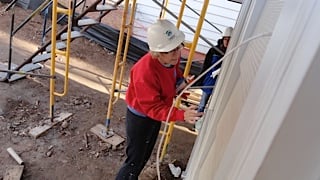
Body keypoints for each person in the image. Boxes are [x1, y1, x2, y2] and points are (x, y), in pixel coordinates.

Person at [115, 19, 203, 180]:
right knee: (134, 160)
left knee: (145, 153)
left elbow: (174, 78)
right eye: (171, 50)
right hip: (141, 117)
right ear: (158, 52)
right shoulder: (144, 71)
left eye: (178, 47)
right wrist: (182, 115)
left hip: (156, 113)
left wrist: (182, 84)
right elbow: (153, 108)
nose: (178, 53)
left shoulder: (170, 60)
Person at [197, 27, 233, 113]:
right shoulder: (214, 50)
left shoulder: (233, 52)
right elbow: (206, 66)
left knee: (215, 106)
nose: (227, 42)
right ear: (222, 39)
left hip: (221, 83)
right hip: (210, 81)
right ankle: (197, 122)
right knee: (202, 105)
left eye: (229, 40)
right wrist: (200, 80)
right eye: (225, 39)